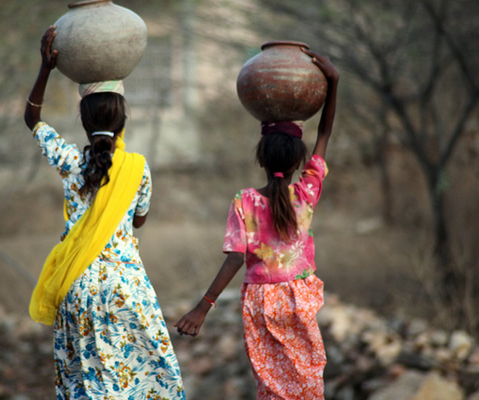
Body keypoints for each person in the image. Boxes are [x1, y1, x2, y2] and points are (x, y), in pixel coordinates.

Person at [25, 26, 185, 400]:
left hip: (77, 284)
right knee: (146, 376)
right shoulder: (137, 168)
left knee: (87, 380)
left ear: (84, 121)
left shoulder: (70, 162)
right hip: (126, 284)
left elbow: (33, 119)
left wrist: (46, 69)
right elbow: (139, 219)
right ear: (122, 121)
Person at [175, 48, 339, 400]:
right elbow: (325, 134)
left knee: (272, 386)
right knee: (308, 382)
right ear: (300, 159)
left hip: (261, 301)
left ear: (260, 156)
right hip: (299, 296)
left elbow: (235, 258)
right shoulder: (306, 192)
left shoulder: (245, 199)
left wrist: (204, 306)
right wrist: (334, 82)